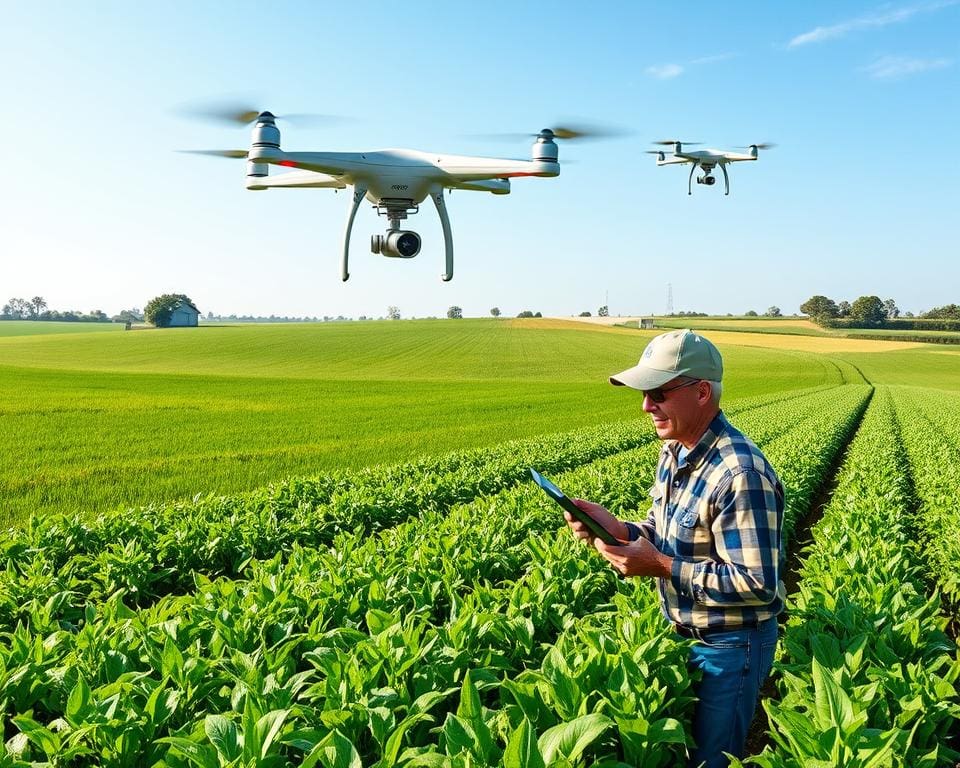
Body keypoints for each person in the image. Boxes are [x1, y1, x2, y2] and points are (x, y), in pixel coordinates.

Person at [565, 329, 784, 768]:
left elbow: (758, 584)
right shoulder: (676, 451)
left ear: (702, 391)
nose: (647, 405)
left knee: (710, 760)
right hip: (683, 635)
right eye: (645, 393)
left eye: (659, 392)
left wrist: (661, 566)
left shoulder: (740, 473)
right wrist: (618, 529)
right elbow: (666, 530)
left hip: (730, 647)